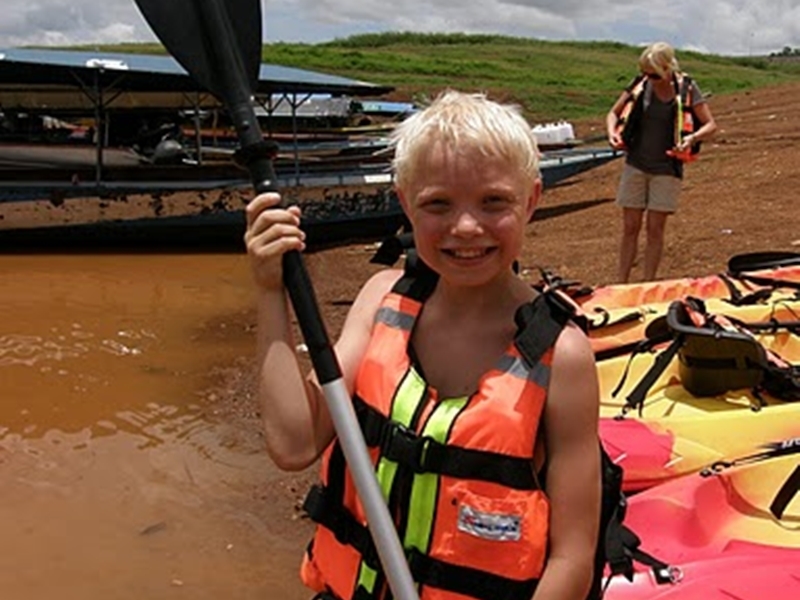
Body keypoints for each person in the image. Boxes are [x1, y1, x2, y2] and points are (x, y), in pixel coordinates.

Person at [244, 90, 601, 600]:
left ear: (532, 200)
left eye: (494, 201)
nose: (466, 227)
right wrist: (268, 291)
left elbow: (571, 558)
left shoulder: (560, 357)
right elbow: (294, 442)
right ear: (407, 203)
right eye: (438, 204)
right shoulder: (380, 300)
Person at [606, 42, 717, 283]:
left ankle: (647, 283)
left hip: (666, 168)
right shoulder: (640, 85)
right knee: (630, 227)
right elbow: (613, 112)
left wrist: (691, 138)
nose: (650, 78)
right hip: (635, 164)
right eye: (646, 73)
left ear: (668, 68)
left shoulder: (686, 88)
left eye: (654, 74)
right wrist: (612, 132)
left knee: (655, 229)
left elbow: (710, 124)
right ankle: (621, 282)